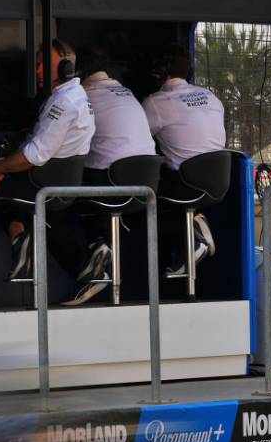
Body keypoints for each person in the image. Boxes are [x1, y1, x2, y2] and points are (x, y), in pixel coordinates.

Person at [0, 38, 95, 287]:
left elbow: (34, 155)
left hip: (44, 188)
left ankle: (17, 239)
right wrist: (6, 167)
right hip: (53, 189)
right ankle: (86, 273)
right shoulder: (74, 96)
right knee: (47, 218)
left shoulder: (63, 102)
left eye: (43, 64)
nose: (38, 71)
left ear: (66, 68)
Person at [48, 44, 158, 306]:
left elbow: (58, 142)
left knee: (53, 206)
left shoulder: (81, 96)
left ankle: (88, 266)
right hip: (146, 188)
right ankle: (98, 243)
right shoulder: (126, 91)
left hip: (111, 185)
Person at [142, 44, 227, 274]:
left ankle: (192, 237)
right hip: (219, 184)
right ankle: (193, 226)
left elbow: (136, 139)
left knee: (140, 201)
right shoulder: (211, 97)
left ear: (161, 72)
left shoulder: (156, 102)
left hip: (186, 184)